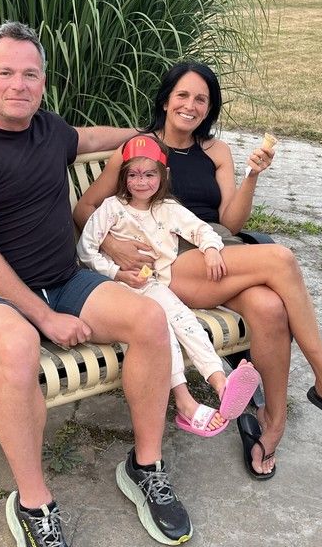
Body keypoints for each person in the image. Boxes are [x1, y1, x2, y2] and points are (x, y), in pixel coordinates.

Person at [0, 22, 192, 547]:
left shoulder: (50, 132)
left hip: (65, 279)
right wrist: (44, 320)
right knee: (19, 348)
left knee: (149, 320)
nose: (19, 84)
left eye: (30, 74)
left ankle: (146, 466)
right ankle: (33, 505)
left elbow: (97, 136)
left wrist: (156, 136)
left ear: (43, 83)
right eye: (6, 73)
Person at [74, 61, 322, 481]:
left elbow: (233, 221)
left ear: (210, 108)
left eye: (201, 99)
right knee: (279, 258)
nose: (190, 105)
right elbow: (85, 208)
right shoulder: (139, 149)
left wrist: (252, 178)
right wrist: (114, 244)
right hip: (173, 263)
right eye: (182, 95)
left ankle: (270, 424)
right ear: (166, 99)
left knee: (268, 307)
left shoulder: (216, 151)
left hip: (219, 255)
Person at [77, 134, 261, 437]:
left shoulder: (168, 209)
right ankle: (185, 400)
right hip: (117, 292)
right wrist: (116, 273)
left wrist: (212, 249)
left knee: (185, 321)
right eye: (133, 175)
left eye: (149, 174)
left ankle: (221, 382)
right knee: (161, 330)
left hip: (152, 286)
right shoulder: (111, 208)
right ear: (123, 178)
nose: (141, 182)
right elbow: (86, 251)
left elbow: (201, 230)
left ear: (162, 176)